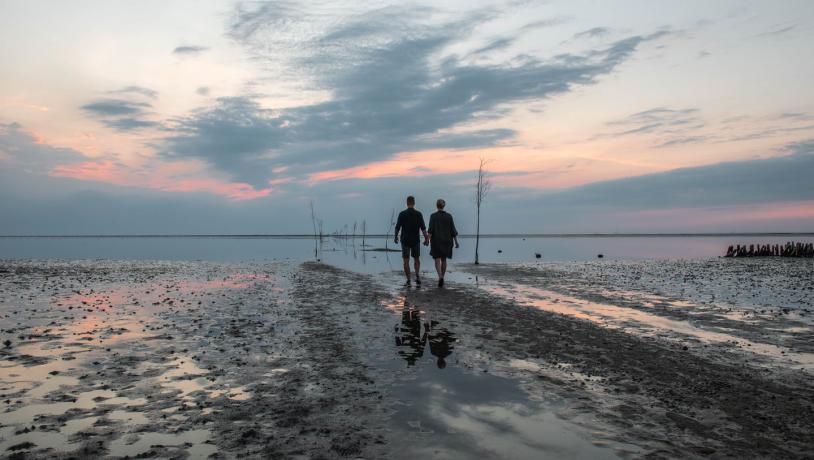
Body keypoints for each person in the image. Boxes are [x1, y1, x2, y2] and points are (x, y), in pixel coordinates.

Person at [394, 196, 429, 285]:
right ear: (414, 203)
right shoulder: (418, 214)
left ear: (407, 203)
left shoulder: (402, 214)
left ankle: (409, 279)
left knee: (406, 260)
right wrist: (426, 239)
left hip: (405, 240)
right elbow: (423, 228)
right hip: (415, 240)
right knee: (416, 259)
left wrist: (395, 237)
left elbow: (397, 227)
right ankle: (417, 275)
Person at [427, 198, 459, 287]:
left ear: (437, 206)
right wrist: (456, 242)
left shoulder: (433, 216)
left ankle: (440, 276)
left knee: (437, 259)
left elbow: (430, 230)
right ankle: (442, 277)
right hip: (447, 241)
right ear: (444, 206)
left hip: (436, 241)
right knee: (444, 260)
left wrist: (426, 240)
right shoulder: (449, 216)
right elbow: (453, 230)